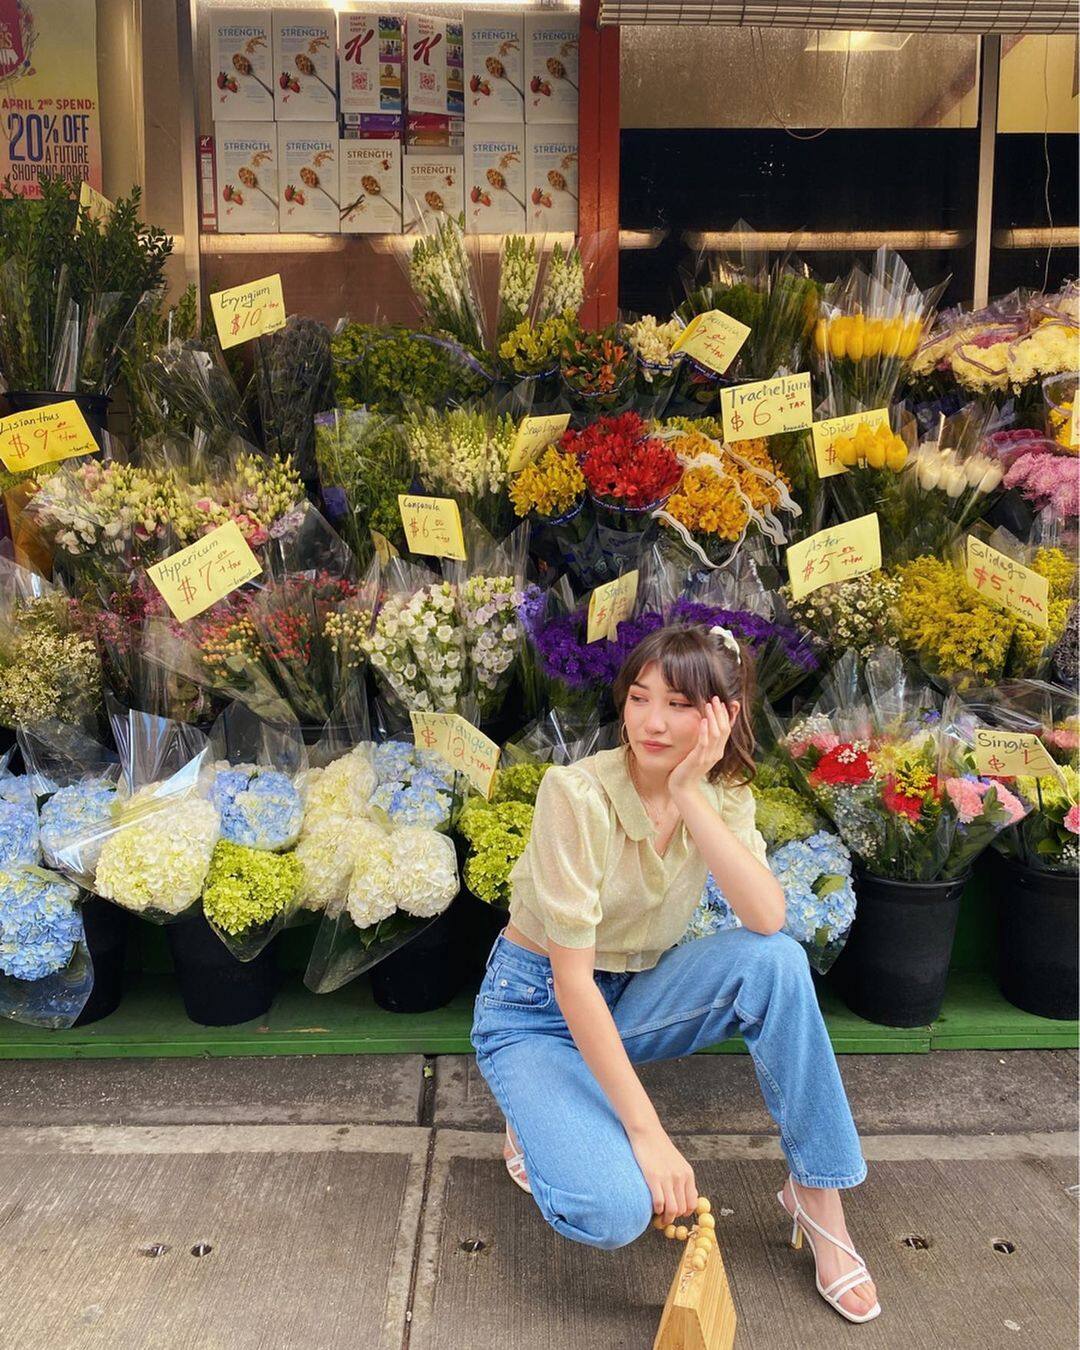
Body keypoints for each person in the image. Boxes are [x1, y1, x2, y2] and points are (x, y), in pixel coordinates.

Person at [470, 622, 880, 1325]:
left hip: (634, 997)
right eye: (639, 698)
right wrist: (648, 1133)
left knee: (776, 963)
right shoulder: (575, 795)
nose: (653, 722)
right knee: (614, 1209)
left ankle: (818, 1202)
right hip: (538, 1008)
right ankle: (535, 1112)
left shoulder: (721, 792)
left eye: (680, 704)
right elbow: (570, 985)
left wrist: (692, 796)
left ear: (720, 715)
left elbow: (766, 917)